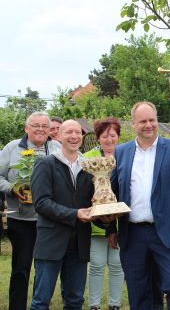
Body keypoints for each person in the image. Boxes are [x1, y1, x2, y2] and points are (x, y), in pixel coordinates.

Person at [109, 101, 170, 310]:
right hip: (132, 235)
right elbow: (112, 195)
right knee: (140, 292)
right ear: (133, 124)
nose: (148, 125)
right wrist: (109, 228)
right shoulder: (121, 152)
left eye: (152, 120)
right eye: (143, 121)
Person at [29, 120, 106, 309]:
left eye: (78, 132)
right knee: (41, 301)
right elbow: (41, 203)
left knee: (75, 300)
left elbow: (92, 201)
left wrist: (106, 215)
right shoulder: (46, 163)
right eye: (69, 132)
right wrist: (75, 214)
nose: (74, 136)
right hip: (51, 242)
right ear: (59, 136)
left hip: (79, 243)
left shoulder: (88, 166)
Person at [0, 111, 61, 310]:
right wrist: (12, 188)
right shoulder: (11, 148)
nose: (41, 129)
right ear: (27, 128)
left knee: (44, 270)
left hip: (48, 221)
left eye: (45, 126)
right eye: (36, 125)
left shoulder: (56, 148)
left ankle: (38, 306)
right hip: (21, 220)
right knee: (20, 269)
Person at [84, 117, 124, 310]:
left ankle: (115, 304)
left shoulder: (125, 155)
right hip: (96, 223)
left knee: (117, 265)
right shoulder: (88, 158)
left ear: (118, 137)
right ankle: (94, 305)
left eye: (113, 135)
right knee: (97, 265)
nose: (109, 140)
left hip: (121, 222)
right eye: (104, 136)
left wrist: (114, 225)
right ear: (98, 138)